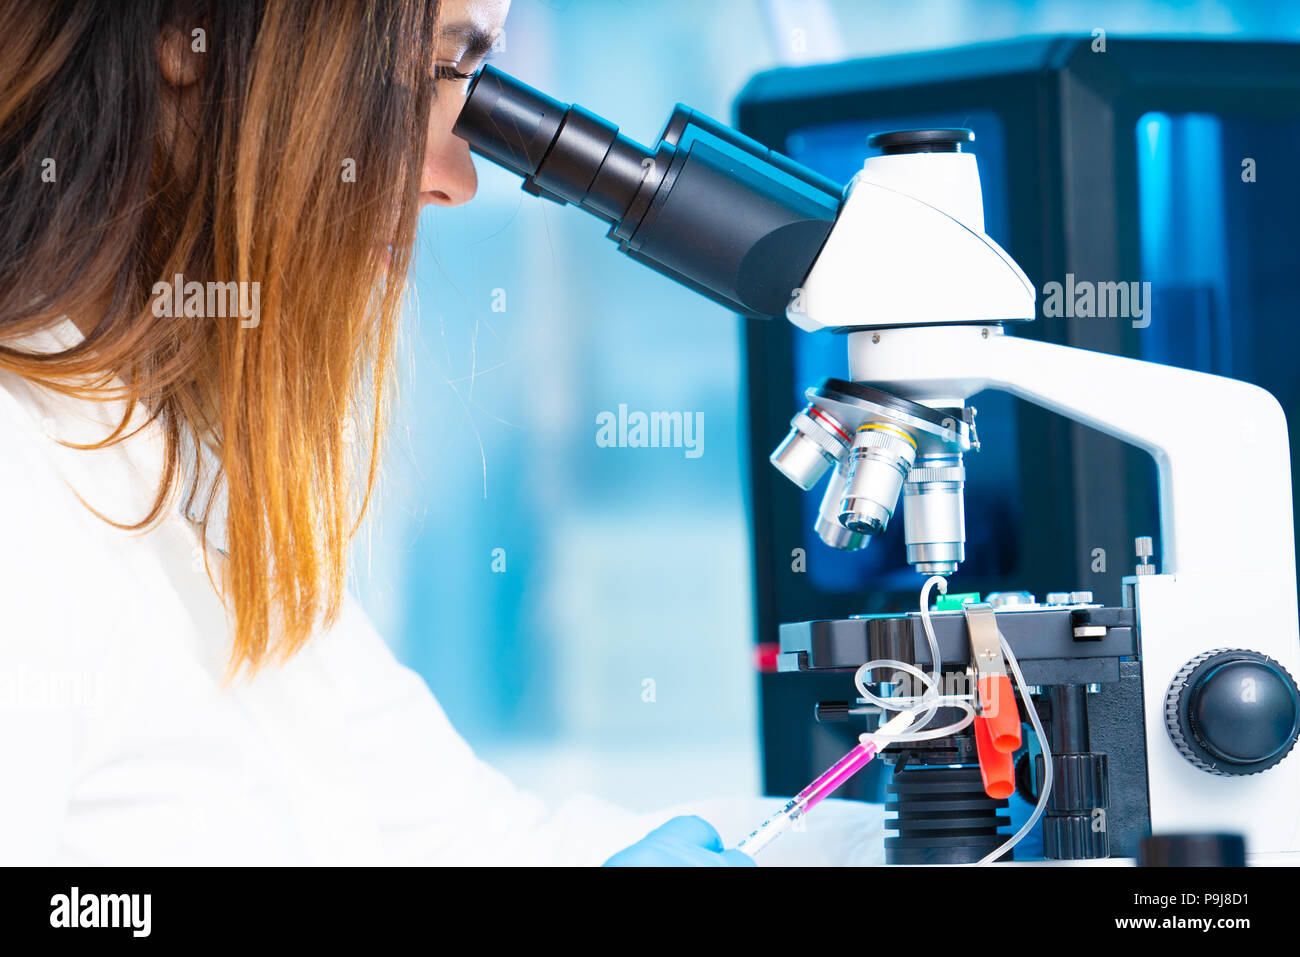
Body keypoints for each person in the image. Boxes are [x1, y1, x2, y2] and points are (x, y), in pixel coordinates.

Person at [0, 0, 879, 866]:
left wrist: (923, 839)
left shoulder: (184, 465)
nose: (458, 180)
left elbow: (477, 845)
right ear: (184, 35)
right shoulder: (23, 484)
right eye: (434, 73)